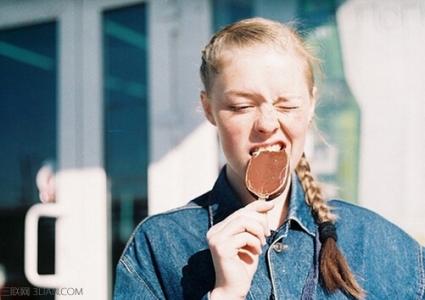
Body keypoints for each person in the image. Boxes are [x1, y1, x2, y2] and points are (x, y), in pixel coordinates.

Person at [113, 17, 425, 299]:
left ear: (312, 104)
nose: (267, 123)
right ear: (209, 109)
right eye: (241, 106)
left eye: (287, 105)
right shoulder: (158, 246)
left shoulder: (382, 245)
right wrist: (224, 295)